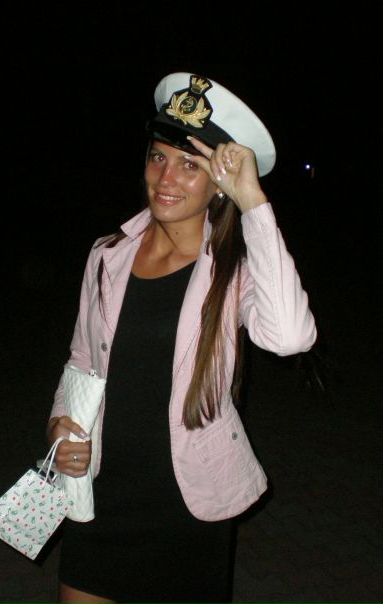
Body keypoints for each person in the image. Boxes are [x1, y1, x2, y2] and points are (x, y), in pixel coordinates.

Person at [46, 72, 317, 604]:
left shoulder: (235, 269)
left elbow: (289, 338)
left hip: (189, 503)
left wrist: (253, 202)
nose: (166, 177)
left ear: (219, 182)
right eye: (158, 157)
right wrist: (60, 422)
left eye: (191, 165)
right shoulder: (107, 255)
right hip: (100, 492)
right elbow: (81, 357)